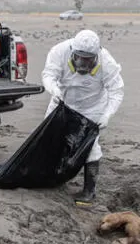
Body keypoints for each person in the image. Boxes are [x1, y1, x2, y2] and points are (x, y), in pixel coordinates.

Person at [41, 29, 125, 207]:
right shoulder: (59, 52)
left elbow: (116, 91)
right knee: (49, 139)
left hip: (92, 107)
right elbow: (49, 75)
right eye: (80, 58)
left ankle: (89, 191)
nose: (84, 63)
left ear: (96, 55)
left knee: (91, 147)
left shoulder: (107, 62)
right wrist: (54, 90)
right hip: (62, 100)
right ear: (73, 52)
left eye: (88, 59)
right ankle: (49, 177)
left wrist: (107, 115)